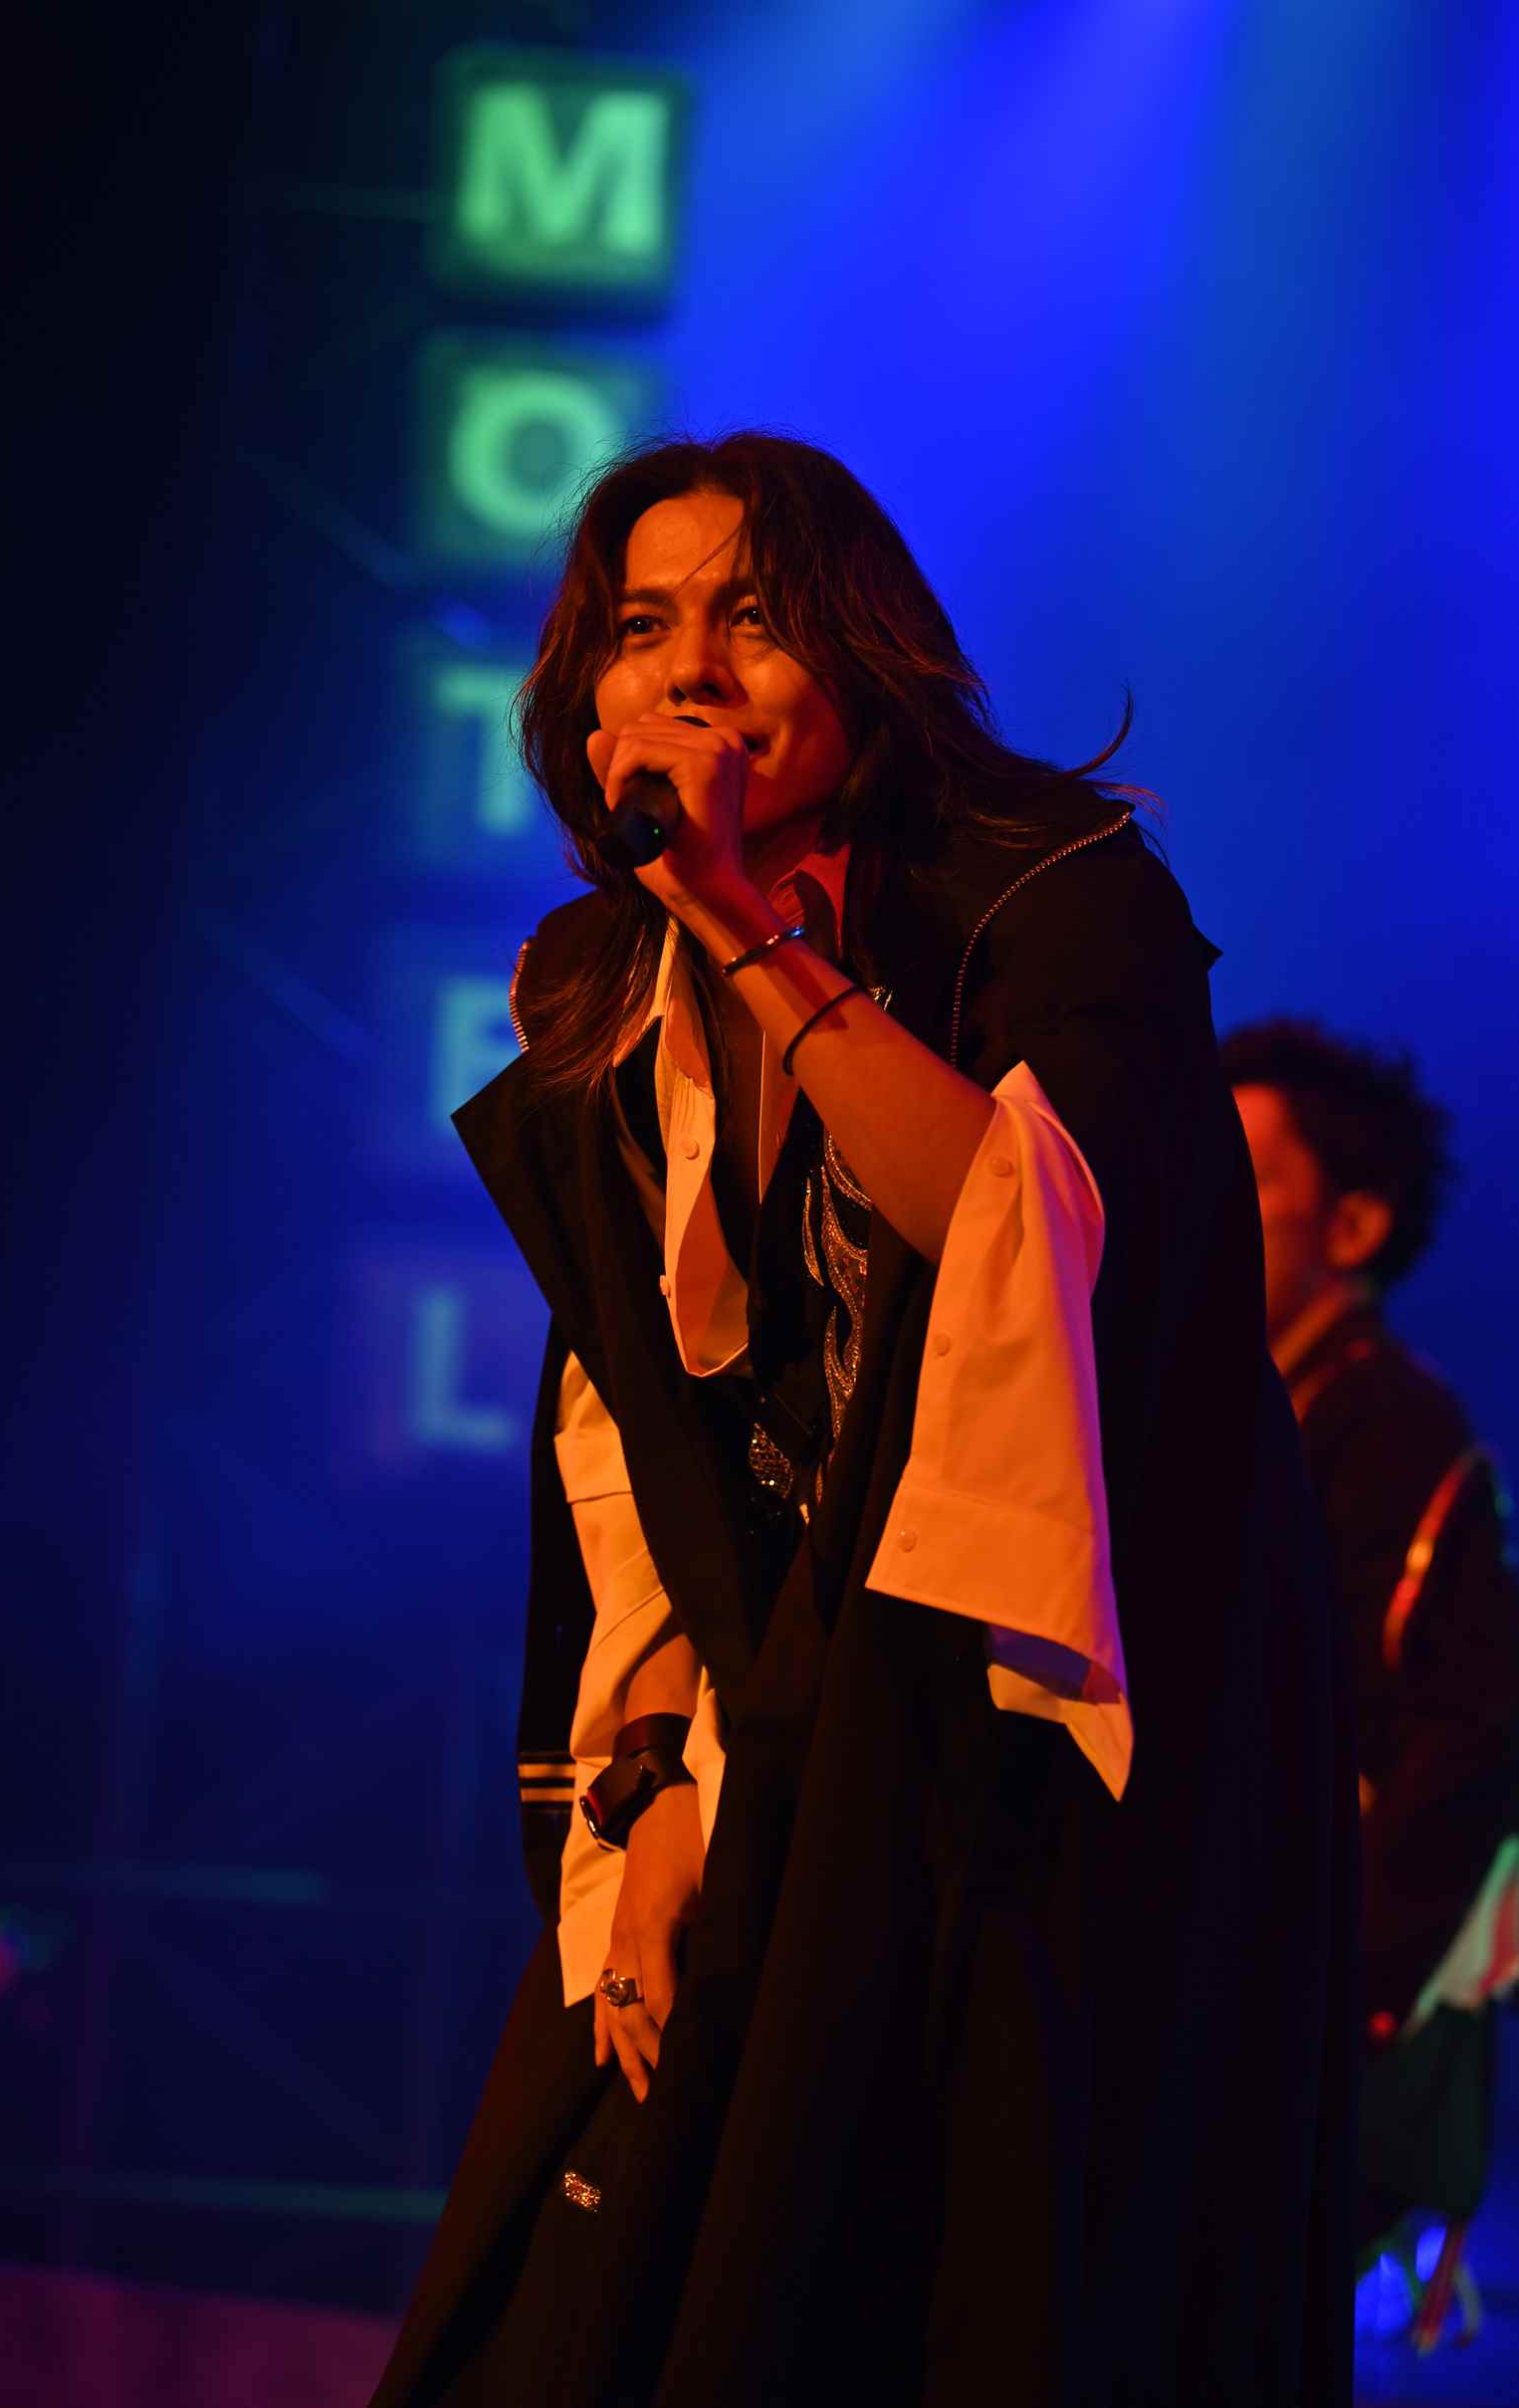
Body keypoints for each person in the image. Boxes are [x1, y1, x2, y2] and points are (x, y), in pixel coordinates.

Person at [368, 434, 1353, 2408]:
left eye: (748, 616)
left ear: (859, 646)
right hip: (783, 1719)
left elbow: (1024, 1246)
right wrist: (645, 1785)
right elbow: (633, 1428)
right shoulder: (611, 996)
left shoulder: (1050, 899)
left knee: (977, 2288)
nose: (689, 669)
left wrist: (753, 931)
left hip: (1049, 1746)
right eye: (642, 627)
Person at [1225, 1018, 1519, 2263]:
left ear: (1351, 1228)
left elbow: (1464, 1746)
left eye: (1243, 1177)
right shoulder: (1220, 1410)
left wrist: (1338, 2000)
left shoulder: (1395, 1430)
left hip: (1290, 2024)